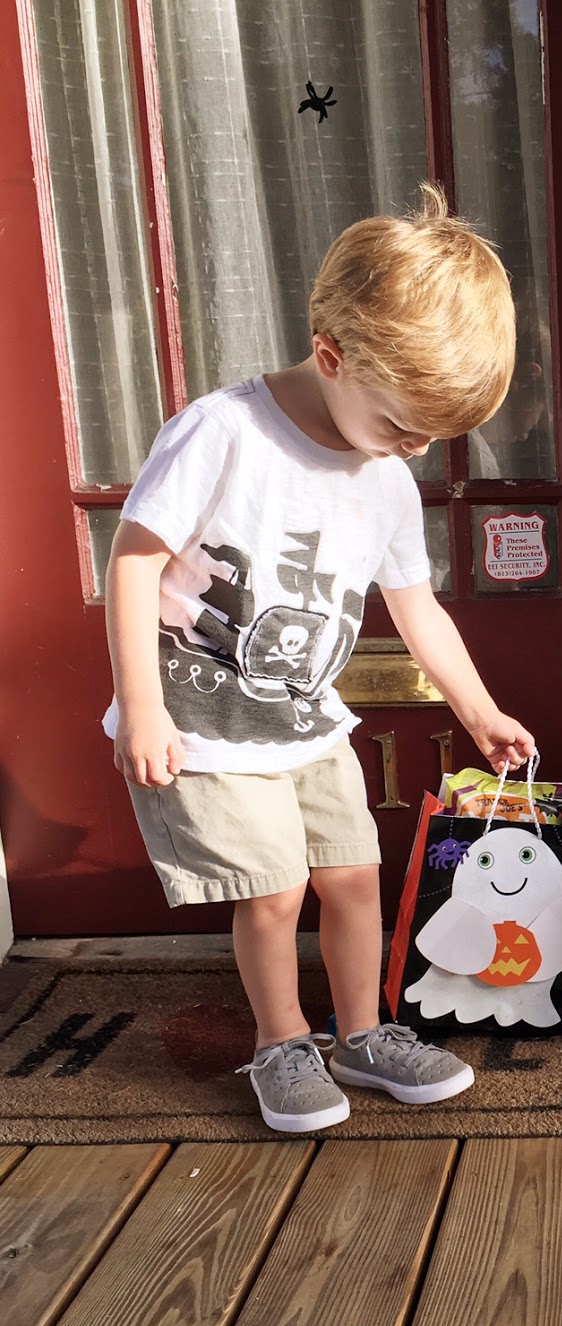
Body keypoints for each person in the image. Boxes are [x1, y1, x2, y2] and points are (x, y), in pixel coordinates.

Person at [103, 185, 535, 1134]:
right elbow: (131, 562)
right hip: (205, 721)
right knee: (275, 890)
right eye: (402, 426)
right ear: (332, 356)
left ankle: (363, 1033)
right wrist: (143, 706)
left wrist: (478, 710)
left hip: (304, 721)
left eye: (431, 436)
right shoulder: (222, 434)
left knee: (353, 874)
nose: (414, 449)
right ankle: (282, 1041)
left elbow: (414, 605)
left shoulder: (385, 474)